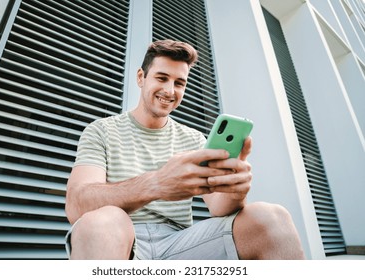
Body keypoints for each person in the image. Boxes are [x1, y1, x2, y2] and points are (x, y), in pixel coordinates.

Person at [64, 39, 305, 260]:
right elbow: (77, 206)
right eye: (161, 78)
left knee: (273, 216)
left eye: (179, 83)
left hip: (180, 244)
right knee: (103, 221)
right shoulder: (101, 130)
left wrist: (235, 190)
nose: (170, 91)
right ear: (141, 77)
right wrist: (156, 184)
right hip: (120, 238)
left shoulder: (193, 138)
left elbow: (219, 208)